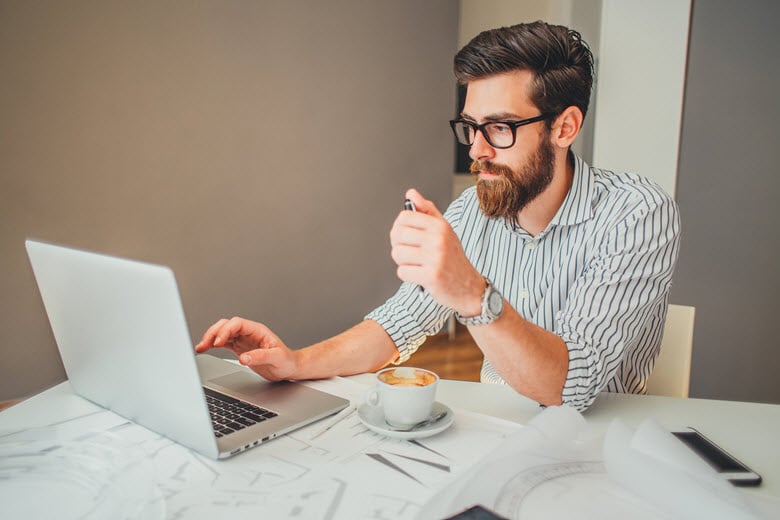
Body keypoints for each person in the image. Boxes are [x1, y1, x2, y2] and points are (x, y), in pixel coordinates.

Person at [196, 21, 680, 411]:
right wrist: (295, 362)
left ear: (565, 126)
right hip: (497, 426)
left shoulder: (635, 213)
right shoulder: (472, 211)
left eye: (501, 128)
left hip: (604, 445)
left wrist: (471, 293)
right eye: (470, 127)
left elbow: (567, 391)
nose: (478, 150)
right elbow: (399, 324)